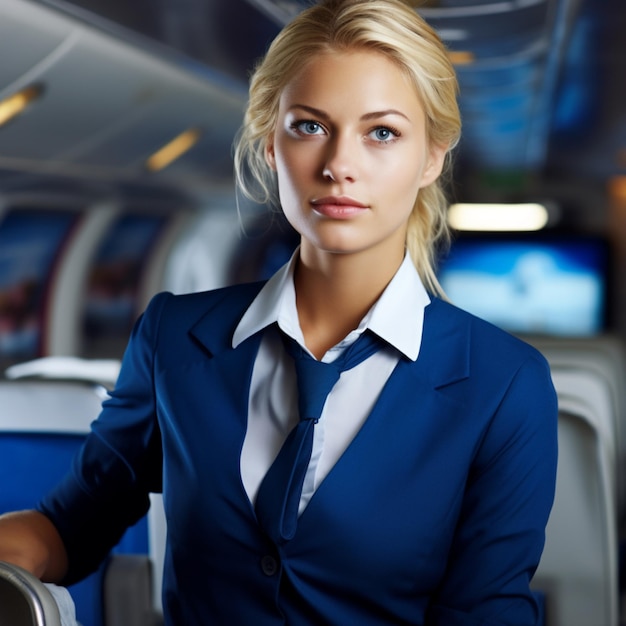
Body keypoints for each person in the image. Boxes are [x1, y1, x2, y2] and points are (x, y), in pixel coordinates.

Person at [0, 0, 558, 624]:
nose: (339, 166)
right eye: (310, 126)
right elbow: (71, 526)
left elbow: (485, 611)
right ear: (270, 143)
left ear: (432, 156)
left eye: (382, 133)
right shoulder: (174, 338)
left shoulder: (503, 384)